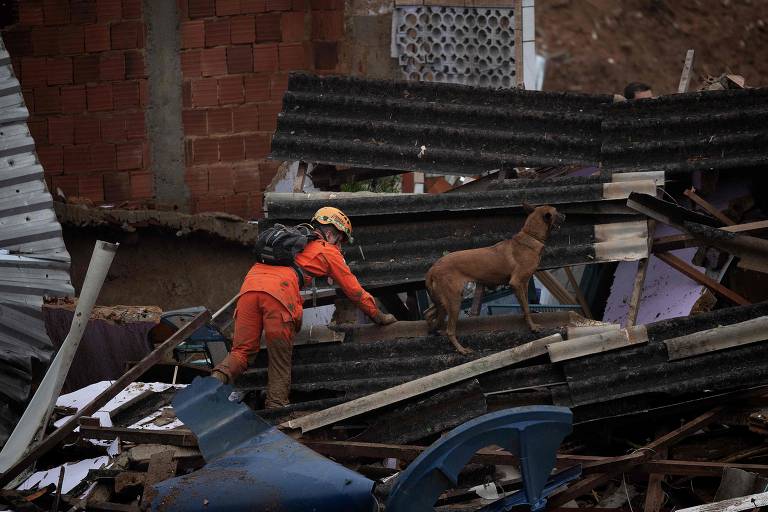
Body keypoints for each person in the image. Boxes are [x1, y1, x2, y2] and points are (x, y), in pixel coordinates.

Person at [212, 206, 397, 408]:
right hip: (279, 293)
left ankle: (208, 390)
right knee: (280, 360)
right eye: (340, 239)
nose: (339, 245)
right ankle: (277, 408)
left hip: (249, 286)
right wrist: (378, 316)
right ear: (330, 232)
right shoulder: (327, 250)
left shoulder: (293, 240)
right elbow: (354, 291)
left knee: (241, 352)